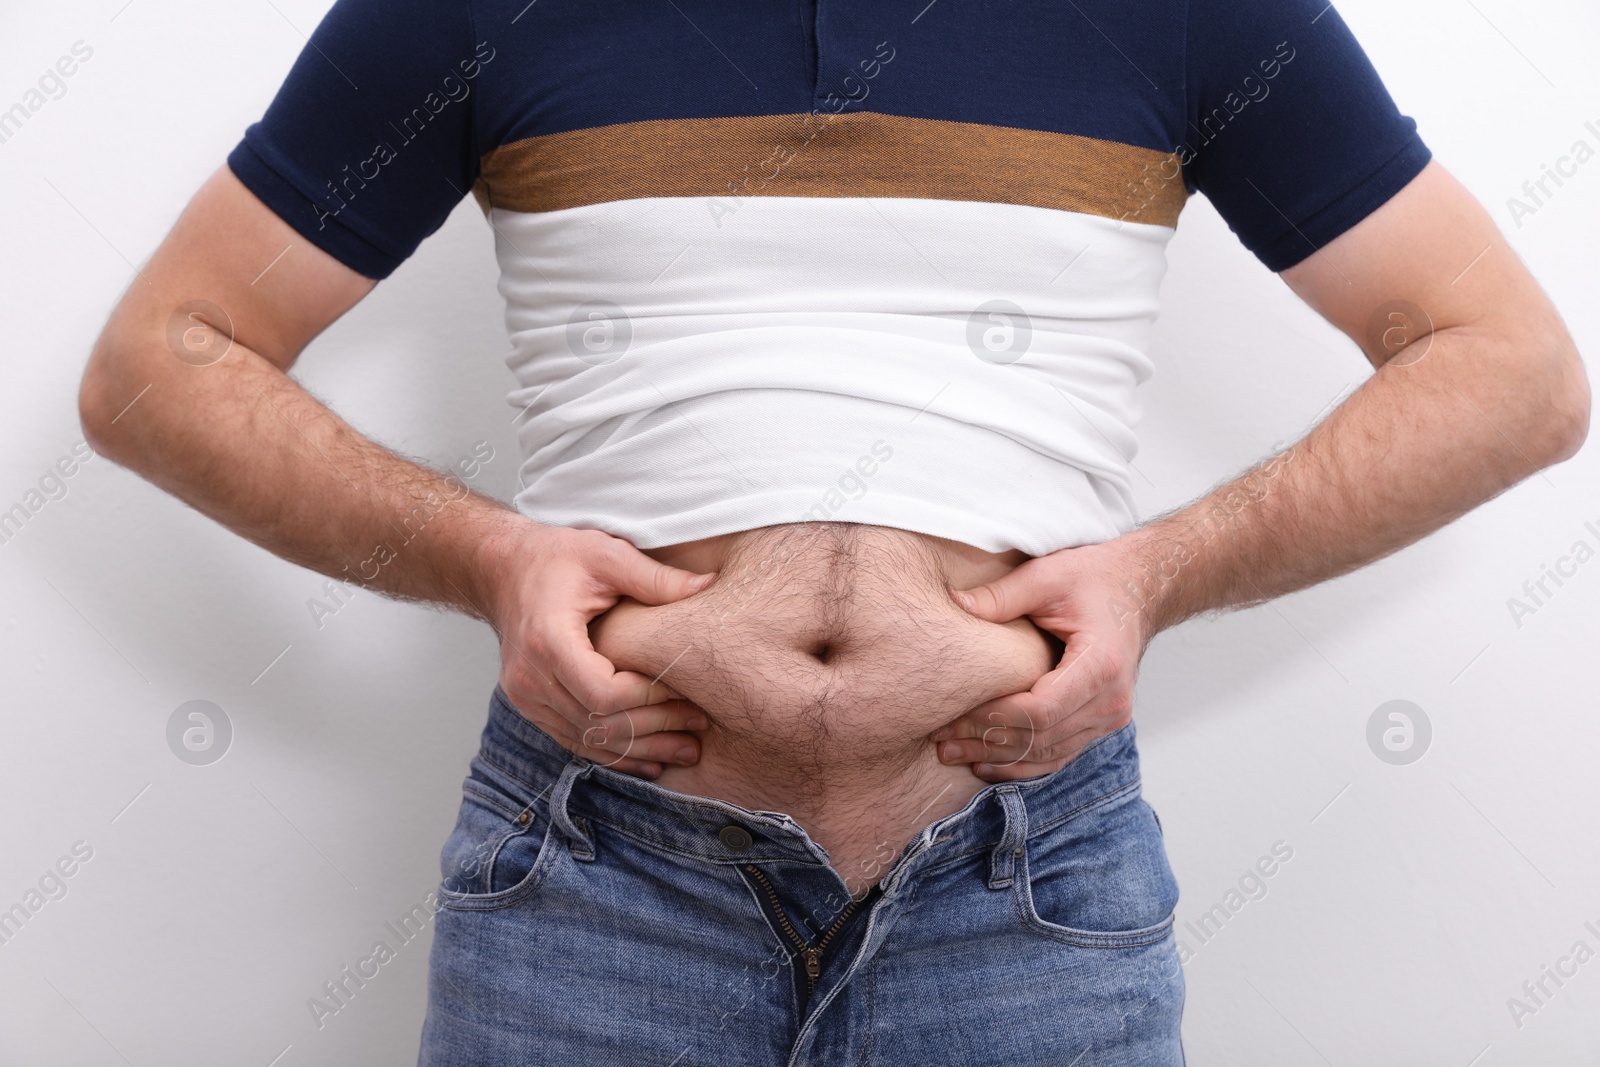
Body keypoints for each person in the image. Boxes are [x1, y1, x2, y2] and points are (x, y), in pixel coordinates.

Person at [77, 0, 1587, 1062]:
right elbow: (161, 363)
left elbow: (1509, 373)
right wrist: (488, 556)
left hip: (1019, 888)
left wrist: (1163, 572)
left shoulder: (1187, 9)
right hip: (600, 886)